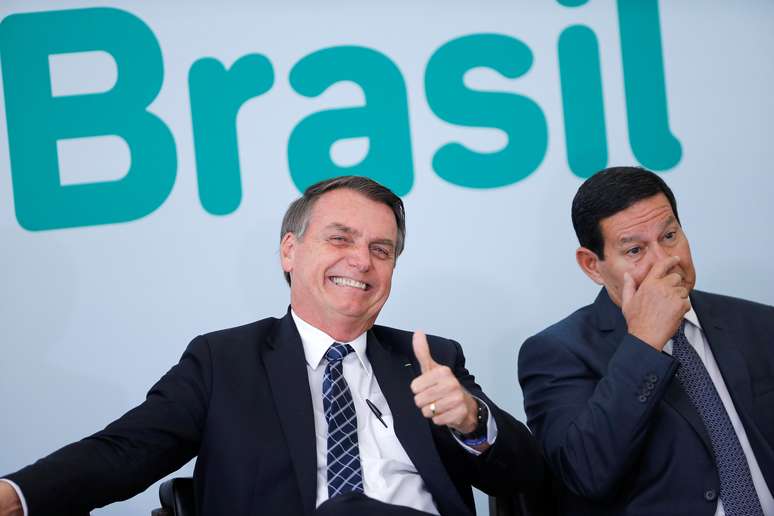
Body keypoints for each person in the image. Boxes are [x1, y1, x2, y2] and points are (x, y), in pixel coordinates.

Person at [1, 176, 543, 516]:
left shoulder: (430, 358)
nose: (362, 261)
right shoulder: (223, 361)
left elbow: (524, 479)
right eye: (340, 239)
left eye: (382, 249)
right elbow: (125, 451)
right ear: (290, 250)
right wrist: (18, 494)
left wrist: (473, 422)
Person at [518, 166, 774, 515]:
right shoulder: (558, 353)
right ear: (592, 265)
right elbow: (585, 474)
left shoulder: (760, 324)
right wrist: (643, 343)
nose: (666, 261)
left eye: (670, 236)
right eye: (636, 250)